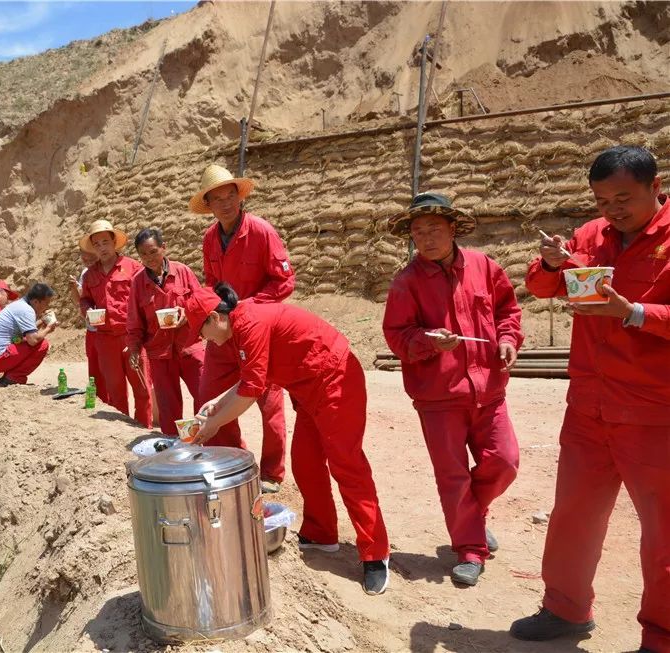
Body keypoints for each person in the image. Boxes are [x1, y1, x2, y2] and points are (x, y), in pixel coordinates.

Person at [511, 145, 670, 653]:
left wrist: (636, 314)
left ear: (654, 186)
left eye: (623, 198)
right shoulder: (590, 235)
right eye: (602, 201)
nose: (612, 210)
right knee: (574, 514)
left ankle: (662, 637)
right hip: (589, 406)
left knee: (664, 532)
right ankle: (565, 609)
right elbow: (541, 289)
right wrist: (552, 262)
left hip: (654, 411)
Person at [185, 283, 391, 595]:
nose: (205, 341)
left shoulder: (250, 323)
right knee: (306, 463)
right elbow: (254, 376)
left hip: (334, 379)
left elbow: (253, 390)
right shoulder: (238, 328)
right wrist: (218, 402)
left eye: (202, 333)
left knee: (346, 465)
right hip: (307, 389)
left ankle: (375, 554)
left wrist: (213, 424)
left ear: (215, 318)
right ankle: (323, 534)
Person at [382, 193, 523, 587]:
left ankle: (472, 519)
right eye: (418, 232)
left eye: (434, 230)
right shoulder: (406, 282)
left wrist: (509, 339)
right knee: (453, 476)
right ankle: (470, 549)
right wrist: (428, 341)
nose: (426, 239)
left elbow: (507, 312)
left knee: (505, 461)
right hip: (439, 397)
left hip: (489, 389)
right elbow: (396, 336)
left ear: (452, 230)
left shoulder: (484, 266)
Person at [190, 163, 292, 493]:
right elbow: (211, 283)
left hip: (259, 327)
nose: (225, 203)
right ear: (208, 205)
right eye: (217, 198)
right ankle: (232, 459)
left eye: (230, 195)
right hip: (223, 329)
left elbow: (284, 281)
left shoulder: (261, 231)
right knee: (208, 393)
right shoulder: (209, 239)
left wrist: (250, 307)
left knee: (268, 399)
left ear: (239, 196)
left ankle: (272, 472)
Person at [126, 228, 205, 435]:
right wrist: (134, 350)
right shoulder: (138, 283)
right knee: (168, 406)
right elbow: (134, 322)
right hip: (159, 353)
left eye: (153, 252)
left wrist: (186, 313)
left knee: (204, 396)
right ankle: (176, 446)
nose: (149, 258)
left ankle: (206, 442)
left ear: (163, 247)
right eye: (143, 255)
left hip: (190, 347)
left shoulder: (183, 271)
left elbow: (202, 302)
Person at [78, 219, 153, 428]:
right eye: (97, 244)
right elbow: (85, 299)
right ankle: (123, 435)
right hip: (105, 340)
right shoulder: (90, 274)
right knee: (115, 391)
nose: (102, 248)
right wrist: (88, 311)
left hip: (132, 338)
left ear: (114, 242)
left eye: (105, 242)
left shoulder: (133, 268)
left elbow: (145, 296)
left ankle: (143, 431)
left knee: (142, 389)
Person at [0, 283, 58, 384]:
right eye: (46, 303)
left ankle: (10, 376)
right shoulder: (26, 310)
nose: (47, 306)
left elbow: (26, 332)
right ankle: (14, 377)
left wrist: (42, 321)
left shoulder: (20, 305)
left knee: (26, 340)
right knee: (42, 344)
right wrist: (48, 328)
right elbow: (33, 340)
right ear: (36, 301)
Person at [68, 247, 107, 402]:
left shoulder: (108, 270)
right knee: (95, 370)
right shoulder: (86, 274)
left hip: (109, 331)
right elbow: (80, 301)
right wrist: (73, 288)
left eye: (92, 258)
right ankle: (100, 401)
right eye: (85, 260)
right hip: (92, 329)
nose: (89, 262)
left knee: (110, 372)